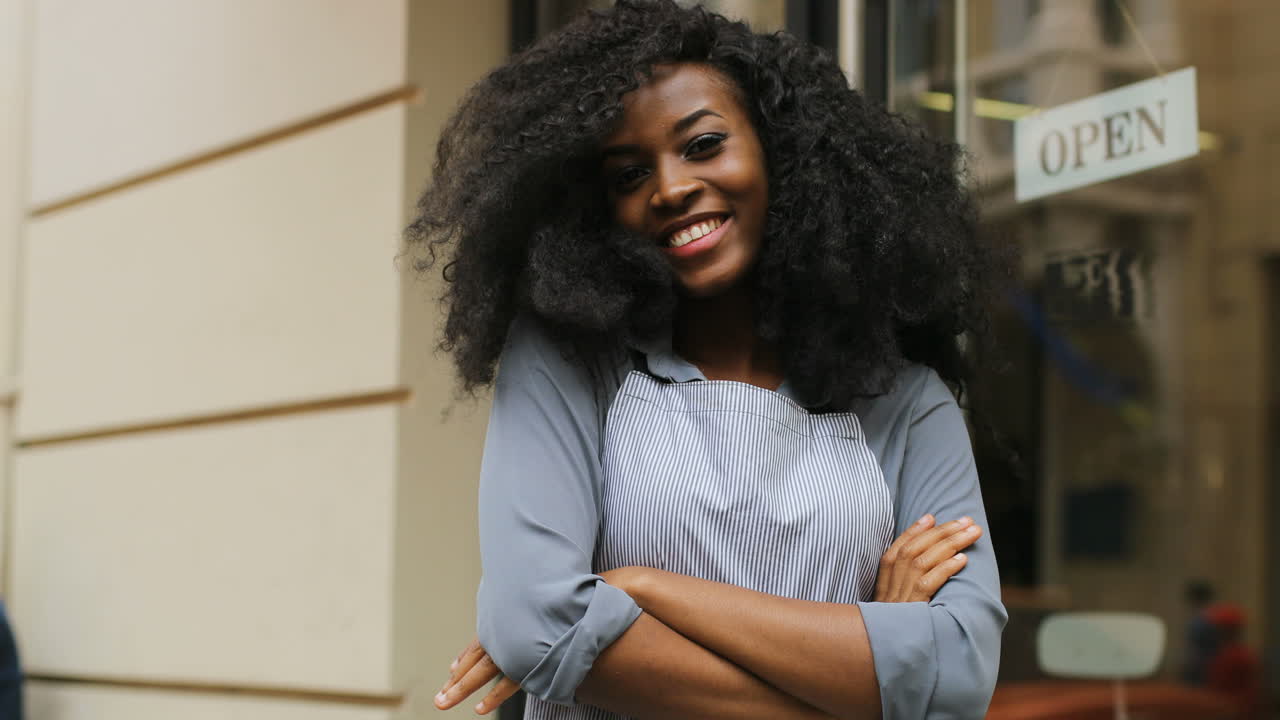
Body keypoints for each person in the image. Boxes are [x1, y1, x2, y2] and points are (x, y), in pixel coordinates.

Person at [405, 1, 1008, 717]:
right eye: (628, 176)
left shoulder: (906, 403)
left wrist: (646, 590)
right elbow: (534, 626)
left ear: (780, 151)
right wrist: (869, 677)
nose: (670, 187)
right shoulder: (572, 363)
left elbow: (961, 671)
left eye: (702, 144)